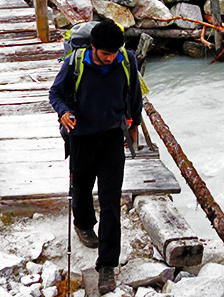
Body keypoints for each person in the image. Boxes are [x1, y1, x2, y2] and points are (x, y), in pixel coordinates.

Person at [48, 19, 142, 295]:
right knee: (81, 187)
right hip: (81, 137)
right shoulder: (75, 63)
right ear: (93, 47)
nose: (109, 59)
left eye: (113, 54)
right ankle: (84, 224)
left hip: (113, 137)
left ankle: (107, 266)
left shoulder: (126, 60)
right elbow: (55, 93)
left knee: (111, 202)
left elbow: (134, 95)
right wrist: (63, 112)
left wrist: (133, 127)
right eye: (104, 54)